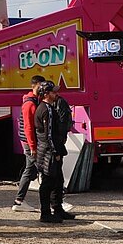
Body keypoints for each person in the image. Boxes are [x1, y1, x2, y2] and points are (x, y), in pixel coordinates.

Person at [34, 81, 73, 223]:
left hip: (48, 149)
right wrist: (55, 151)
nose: (56, 94)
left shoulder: (47, 108)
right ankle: (45, 213)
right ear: (46, 94)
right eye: (53, 92)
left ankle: (57, 208)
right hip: (48, 151)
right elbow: (48, 134)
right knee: (48, 182)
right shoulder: (46, 109)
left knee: (58, 180)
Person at [12, 75, 45, 212]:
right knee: (44, 169)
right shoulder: (30, 104)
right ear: (35, 85)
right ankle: (55, 200)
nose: (43, 88)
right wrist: (32, 146)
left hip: (28, 142)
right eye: (41, 85)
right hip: (29, 142)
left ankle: (19, 201)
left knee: (30, 169)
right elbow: (28, 127)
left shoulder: (33, 101)